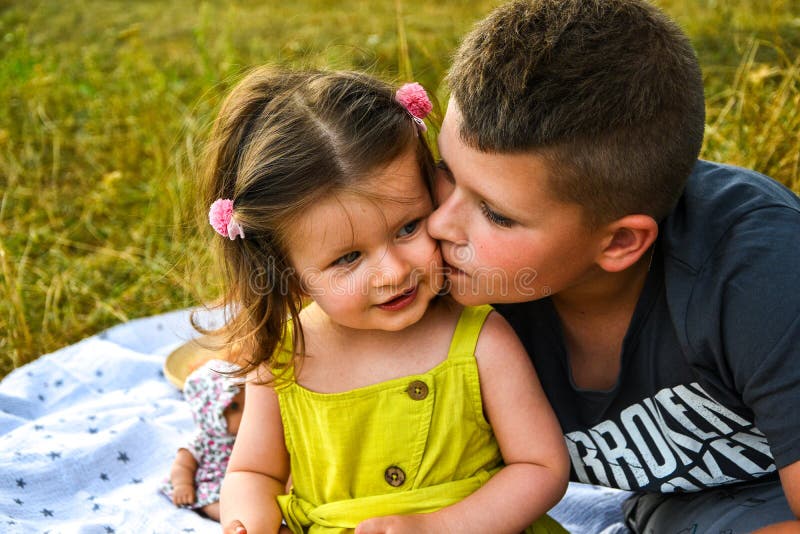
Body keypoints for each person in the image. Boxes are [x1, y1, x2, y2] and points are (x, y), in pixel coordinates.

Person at [426, 0, 800, 532]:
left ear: (622, 241)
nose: (441, 224)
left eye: (496, 214)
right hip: (663, 510)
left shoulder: (762, 271)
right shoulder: (430, 260)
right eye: (445, 171)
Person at [200, 67, 569, 533]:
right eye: (349, 258)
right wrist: (247, 521)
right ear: (288, 274)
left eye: (408, 227)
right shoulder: (283, 357)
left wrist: (437, 528)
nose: (394, 272)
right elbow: (254, 471)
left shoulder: (478, 340)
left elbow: (540, 468)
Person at [160, 359, 244, 521]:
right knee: (216, 505)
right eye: (234, 407)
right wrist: (183, 485)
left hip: (244, 482)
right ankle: (236, 521)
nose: (247, 410)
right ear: (212, 414)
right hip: (213, 484)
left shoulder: (253, 430)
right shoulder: (204, 440)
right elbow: (182, 463)